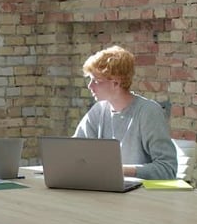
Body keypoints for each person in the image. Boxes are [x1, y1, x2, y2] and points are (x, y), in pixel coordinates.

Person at [73, 45, 177, 179]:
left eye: (96, 81)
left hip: (141, 196)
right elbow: (75, 152)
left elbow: (167, 169)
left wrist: (118, 170)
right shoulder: (98, 110)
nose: (90, 86)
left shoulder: (148, 112)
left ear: (115, 83)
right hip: (104, 191)